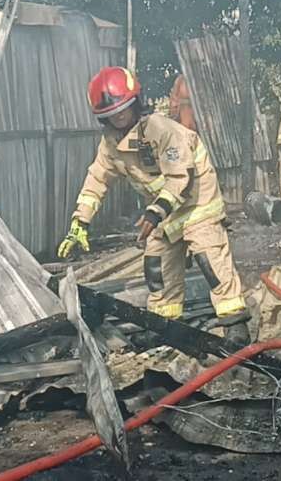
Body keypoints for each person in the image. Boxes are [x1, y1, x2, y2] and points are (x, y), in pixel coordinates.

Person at [57, 66, 250, 342]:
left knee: (210, 258)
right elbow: (97, 179)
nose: (118, 117)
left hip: (197, 205)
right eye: (110, 115)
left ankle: (235, 325)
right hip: (163, 213)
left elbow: (179, 177)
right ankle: (165, 327)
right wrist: (80, 221)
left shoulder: (161, 130)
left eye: (122, 110)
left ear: (136, 102)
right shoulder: (111, 144)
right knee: (157, 266)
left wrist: (154, 213)